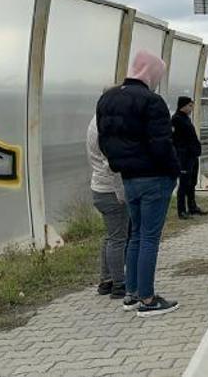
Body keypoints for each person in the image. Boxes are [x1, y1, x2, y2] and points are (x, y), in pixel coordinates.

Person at [97, 50, 180, 317]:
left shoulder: (107, 99)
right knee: (149, 240)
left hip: (128, 179)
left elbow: (104, 141)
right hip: (154, 178)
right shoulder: (152, 101)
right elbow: (162, 144)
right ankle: (147, 299)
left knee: (135, 237)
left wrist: (120, 165)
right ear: (151, 73)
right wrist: (174, 172)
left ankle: (131, 295)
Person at [86, 115, 129, 300]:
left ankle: (106, 281)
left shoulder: (93, 123)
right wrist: (121, 193)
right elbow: (112, 166)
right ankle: (119, 284)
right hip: (111, 191)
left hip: (98, 188)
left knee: (111, 237)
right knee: (118, 239)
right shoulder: (106, 127)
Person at [172, 96, 207, 220]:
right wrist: (182, 153)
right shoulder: (176, 119)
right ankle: (181, 210)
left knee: (192, 182)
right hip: (184, 157)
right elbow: (176, 140)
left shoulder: (185, 119)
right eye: (190, 106)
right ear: (184, 105)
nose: (191, 108)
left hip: (192, 155)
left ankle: (192, 207)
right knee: (184, 183)